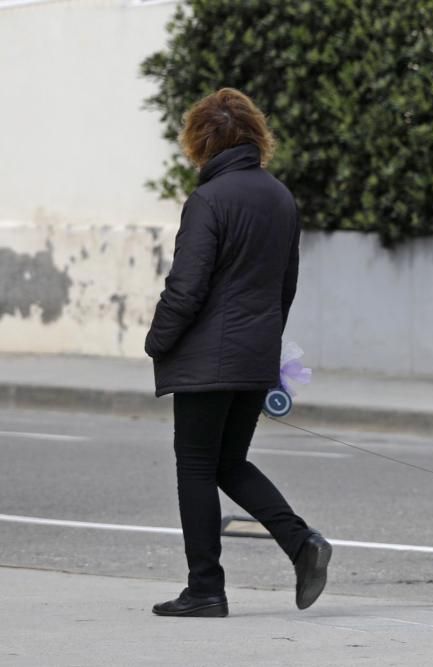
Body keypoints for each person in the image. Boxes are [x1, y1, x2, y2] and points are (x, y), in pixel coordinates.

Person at [144, 88, 330, 618]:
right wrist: (264, 343)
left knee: (197, 466)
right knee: (229, 462)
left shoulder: (209, 200)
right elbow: (285, 286)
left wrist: (158, 341)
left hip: (208, 357)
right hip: (256, 354)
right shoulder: (279, 196)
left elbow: (186, 286)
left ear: (200, 140)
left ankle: (205, 589)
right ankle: (301, 544)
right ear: (256, 134)